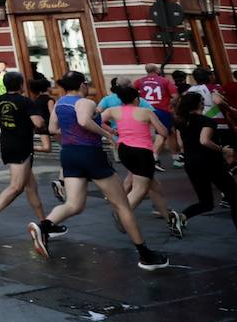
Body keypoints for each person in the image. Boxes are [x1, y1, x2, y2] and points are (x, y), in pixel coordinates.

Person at [27, 72, 168, 270]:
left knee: (74, 204)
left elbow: (52, 128)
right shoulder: (85, 102)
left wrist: (75, 133)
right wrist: (106, 135)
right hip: (90, 154)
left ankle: (43, 226)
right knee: (122, 206)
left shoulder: (59, 103)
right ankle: (145, 254)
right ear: (82, 85)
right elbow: (84, 121)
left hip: (69, 154)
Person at [101, 85, 182, 237]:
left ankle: (168, 218)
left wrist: (112, 131)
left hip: (124, 149)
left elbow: (97, 120)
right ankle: (121, 213)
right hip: (142, 151)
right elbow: (163, 131)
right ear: (136, 98)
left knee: (154, 186)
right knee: (141, 188)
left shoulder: (114, 111)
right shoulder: (146, 112)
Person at [0, 71, 47, 237]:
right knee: (16, 187)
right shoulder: (26, 102)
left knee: (31, 187)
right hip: (21, 146)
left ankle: (45, 223)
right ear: (21, 85)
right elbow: (38, 123)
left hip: (8, 144)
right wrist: (43, 124)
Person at [174, 91, 237, 233]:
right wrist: (222, 150)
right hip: (211, 163)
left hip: (191, 164)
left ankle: (182, 216)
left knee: (206, 202)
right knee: (233, 196)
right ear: (200, 104)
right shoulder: (207, 121)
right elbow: (204, 141)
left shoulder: (181, 122)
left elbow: (181, 145)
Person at [136, 64, 179, 168]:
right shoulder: (165, 81)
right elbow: (175, 96)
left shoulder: (139, 81)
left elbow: (131, 93)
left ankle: (176, 157)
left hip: (145, 110)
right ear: (156, 70)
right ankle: (153, 158)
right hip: (162, 110)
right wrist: (171, 106)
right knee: (163, 133)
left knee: (170, 132)